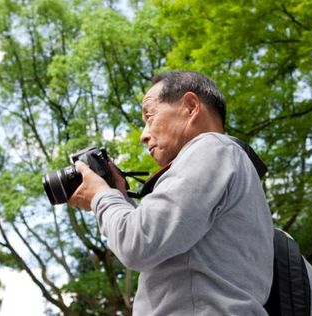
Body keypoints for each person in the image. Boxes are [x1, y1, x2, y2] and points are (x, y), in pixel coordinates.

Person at [68, 70, 274, 315]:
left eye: (150, 116)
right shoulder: (239, 175)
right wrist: (120, 197)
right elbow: (161, 243)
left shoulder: (211, 148)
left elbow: (138, 242)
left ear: (190, 107)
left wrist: (101, 196)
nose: (144, 135)